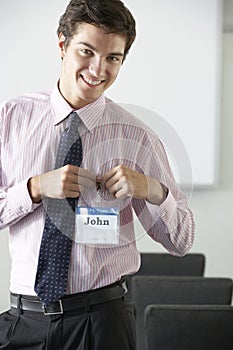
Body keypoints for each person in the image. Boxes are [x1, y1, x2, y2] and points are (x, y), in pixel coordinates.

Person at [0, 0, 195, 349]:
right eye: (87, 51)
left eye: (113, 58)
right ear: (62, 45)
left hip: (102, 322)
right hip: (23, 321)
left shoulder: (138, 138)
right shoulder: (11, 120)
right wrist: (32, 188)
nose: (98, 69)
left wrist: (151, 189)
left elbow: (181, 241)